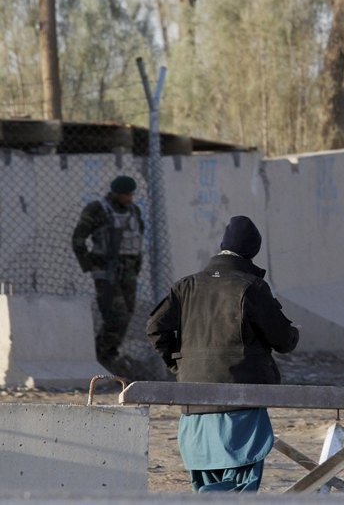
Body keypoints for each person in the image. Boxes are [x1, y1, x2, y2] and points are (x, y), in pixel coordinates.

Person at [146, 215, 299, 493]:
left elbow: (155, 327)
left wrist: (179, 366)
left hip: (194, 399)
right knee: (242, 481)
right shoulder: (251, 287)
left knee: (204, 475)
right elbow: (284, 340)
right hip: (241, 399)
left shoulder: (185, 286)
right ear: (252, 251)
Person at [72, 175, 144, 364]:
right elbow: (78, 239)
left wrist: (136, 267)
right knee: (115, 317)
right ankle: (101, 354)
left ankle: (109, 354)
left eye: (131, 194)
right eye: (126, 194)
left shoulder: (134, 211)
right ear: (116, 193)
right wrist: (90, 264)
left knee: (127, 315)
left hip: (128, 272)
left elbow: (138, 239)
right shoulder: (97, 210)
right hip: (107, 271)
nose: (129, 198)